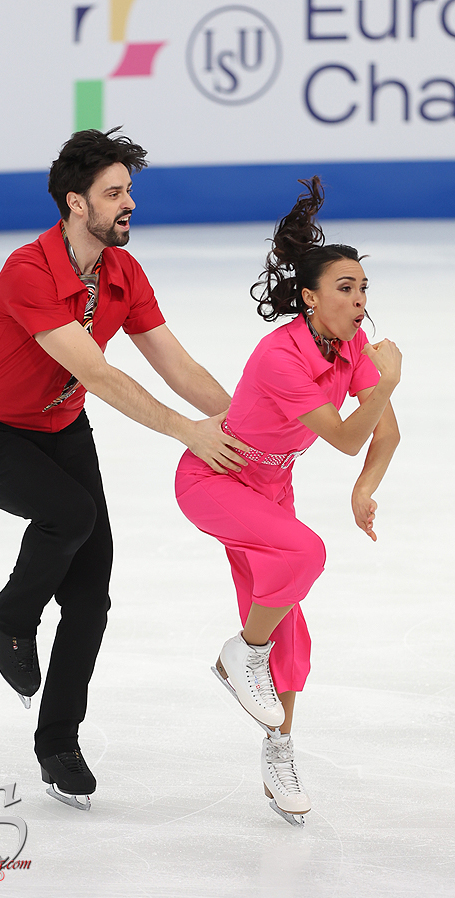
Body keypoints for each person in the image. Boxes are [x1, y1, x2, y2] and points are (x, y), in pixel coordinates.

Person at [0, 127, 249, 810]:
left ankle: (58, 742)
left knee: (90, 596)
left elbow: (177, 366)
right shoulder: (28, 271)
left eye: (129, 191)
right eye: (114, 193)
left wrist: (244, 425)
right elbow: (99, 375)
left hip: (62, 432)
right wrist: (187, 434)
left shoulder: (122, 273)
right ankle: (11, 616)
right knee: (72, 514)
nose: (129, 203)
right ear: (76, 203)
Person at [175, 177, 401, 827]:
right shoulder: (281, 356)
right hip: (216, 477)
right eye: (345, 288)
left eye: (363, 289)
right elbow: (346, 437)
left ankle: (279, 749)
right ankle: (241, 652)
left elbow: (384, 435)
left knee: (291, 626)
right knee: (304, 553)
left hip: (273, 485)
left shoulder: (350, 347)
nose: (359, 301)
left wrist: (364, 489)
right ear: (309, 298)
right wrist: (388, 382)